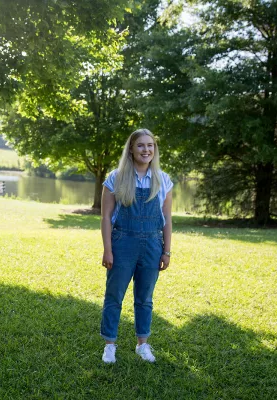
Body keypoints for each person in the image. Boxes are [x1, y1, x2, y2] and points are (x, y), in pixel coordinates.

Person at [100, 128, 173, 363]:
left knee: (145, 298)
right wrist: (108, 249)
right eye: (141, 145)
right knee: (114, 296)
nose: (146, 150)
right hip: (123, 243)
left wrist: (167, 250)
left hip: (153, 244)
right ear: (131, 149)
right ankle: (110, 345)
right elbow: (105, 217)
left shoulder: (163, 180)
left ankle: (142, 345)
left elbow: (167, 219)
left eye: (150, 145)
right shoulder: (116, 178)